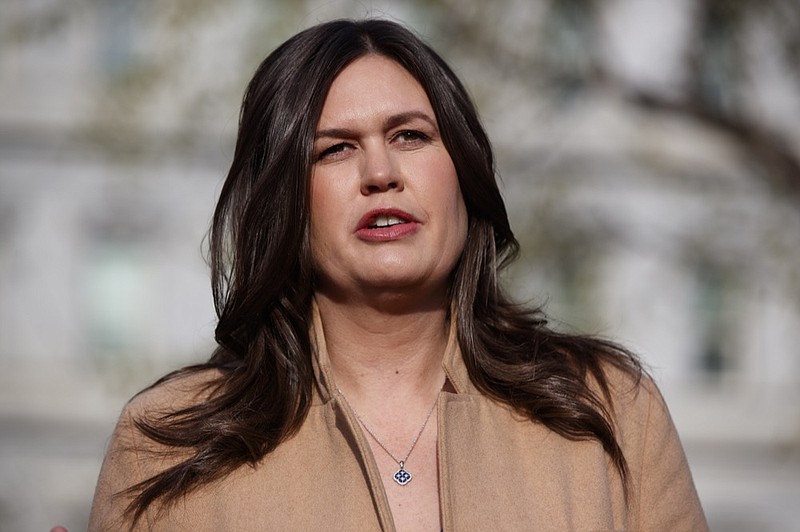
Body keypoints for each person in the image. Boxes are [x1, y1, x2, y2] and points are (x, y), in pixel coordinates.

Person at [88, 18, 708, 531]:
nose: (380, 172)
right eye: (335, 149)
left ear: (462, 171)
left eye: (410, 135)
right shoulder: (167, 445)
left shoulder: (609, 411)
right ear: (284, 200)